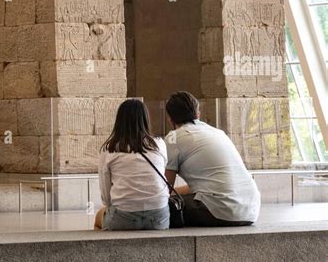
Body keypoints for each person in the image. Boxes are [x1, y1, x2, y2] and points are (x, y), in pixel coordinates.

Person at [165, 91, 260, 226]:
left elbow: (165, 188)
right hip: (250, 210)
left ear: (171, 119)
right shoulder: (218, 133)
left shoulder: (174, 138)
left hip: (217, 210)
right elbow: (208, 183)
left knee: (159, 210)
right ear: (198, 113)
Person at [94, 99, 169, 230]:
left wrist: (111, 204)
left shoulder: (109, 149)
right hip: (158, 214)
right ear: (145, 119)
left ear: (119, 121)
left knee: (98, 218)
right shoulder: (159, 144)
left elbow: (105, 193)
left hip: (124, 215)